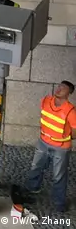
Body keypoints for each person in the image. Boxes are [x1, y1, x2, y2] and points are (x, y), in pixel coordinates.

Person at [24, 81, 76, 212]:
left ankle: (59, 203)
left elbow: (75, 131)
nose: (59, 89)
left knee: (59, 176)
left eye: (63, 88)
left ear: (69, 93)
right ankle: (31, 190)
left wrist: (65, 138)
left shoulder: (70, 110)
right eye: (59, 86)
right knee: (36, 167)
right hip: (43, 142)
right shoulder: (46, 101)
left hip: (61, 148)